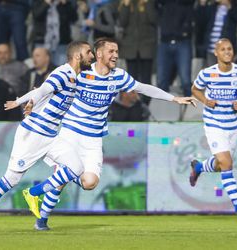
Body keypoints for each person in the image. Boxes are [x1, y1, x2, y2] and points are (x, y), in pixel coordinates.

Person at [22, 37, 196, 230]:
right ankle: (41, 221)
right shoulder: (82, 72)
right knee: (62, 178)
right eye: (111, 51)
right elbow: (52, 86)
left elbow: (144, 88)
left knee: (89, 182)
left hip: (93, 138)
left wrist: (174, 99)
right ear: (99, 54)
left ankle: (37, 191)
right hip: (70, 132)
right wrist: (34, 101)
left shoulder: (119, 76)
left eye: (116, 51)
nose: (116, 55)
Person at [0, 41, 94, 234]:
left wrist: (34, 101)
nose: (91, 56)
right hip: (33, 134)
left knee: (77, 167)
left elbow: (43, 92)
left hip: (51, 136)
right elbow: (41, 90)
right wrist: (22, 101)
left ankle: (34, 193)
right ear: (78, 56)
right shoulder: (63, 73)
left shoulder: (74, 78)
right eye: (88, 52)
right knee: (11, 179)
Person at [189, 38, 237, 220]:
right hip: (214, 123)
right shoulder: (207, 73)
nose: (227, 52)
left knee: (220, 165)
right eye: (223, 49)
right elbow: (195, 89)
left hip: (232, 124)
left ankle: (199, 167)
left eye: (230, 49)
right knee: (227, 163)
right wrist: (205, 101)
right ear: (216, 53)